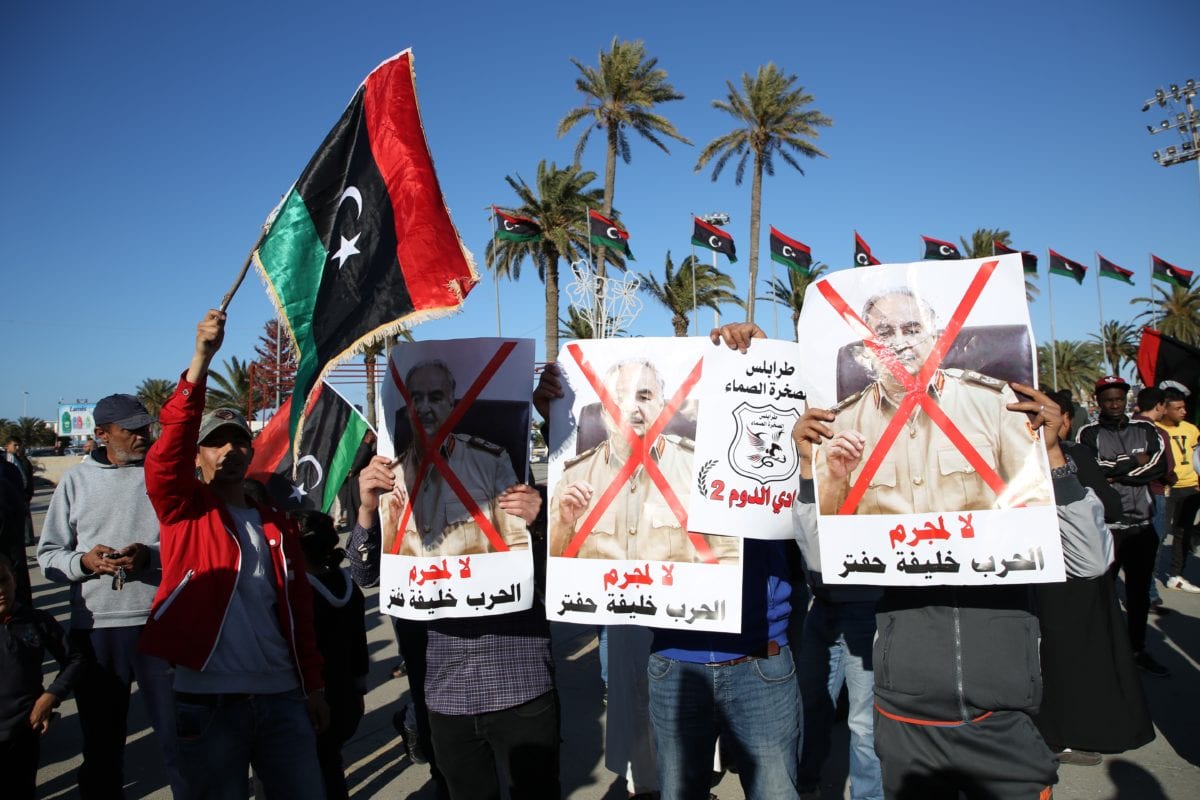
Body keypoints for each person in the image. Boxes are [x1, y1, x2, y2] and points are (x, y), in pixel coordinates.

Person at [794, 382, 1110, 799]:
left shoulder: (1017, 501)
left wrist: (1052, 455)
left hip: (1005, 721)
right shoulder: (884, 501)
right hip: (907, 725)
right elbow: (822, 559)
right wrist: (808, 468)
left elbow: (1089, 560)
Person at [138, 310, 328, 798]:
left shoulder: (277, 523)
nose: (228, 451)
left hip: (282, 697)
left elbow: (296, 610)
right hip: (208, 701)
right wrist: (201, 359)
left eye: (238, 441)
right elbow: (165, 453)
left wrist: (313, 684)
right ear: (197, 455)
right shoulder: (182, 510)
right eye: (214, 443)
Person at [646, 323, 801, 800]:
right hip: (674, 663)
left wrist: (753, 352)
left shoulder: (759, 439)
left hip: (762, 661)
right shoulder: (640, 469)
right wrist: (553, 413)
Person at [351, 451, 557, 800]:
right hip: (447, 694)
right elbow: (365, 574)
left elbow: (558, 582)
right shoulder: (406, 501)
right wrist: (369, 510)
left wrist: (540, 525)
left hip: (521, 683)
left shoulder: (509, 488)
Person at [37, 392, 184, 799]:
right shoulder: (75, 481)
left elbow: (190, 544)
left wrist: (149, 556)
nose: (142, 435)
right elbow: (48, 556)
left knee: (180, 740)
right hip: (97, 631)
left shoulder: (163, 474)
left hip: (159, 625)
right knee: (102, 747)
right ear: (101, 434)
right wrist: (84, 563)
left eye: (145, 427)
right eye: (130, 429)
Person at [814, 287, 1050, 515]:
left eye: (912, 329)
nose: (900, 342)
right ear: (868, 346)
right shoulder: (840, 423)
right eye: (884, 333)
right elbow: (827, 527)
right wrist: (834, 480)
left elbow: (1035, 501)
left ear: (934, 339)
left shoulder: (993, 402)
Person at [1032, 390, 1154, 767]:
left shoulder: (1073, 455)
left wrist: (1055, 457)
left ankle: (1065, 732)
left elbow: (1096, 538)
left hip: (1070, 576)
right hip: (1034, 581)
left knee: (1066, 661)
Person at [549, 359, 738, 564]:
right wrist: (563, 523)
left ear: (661, 406)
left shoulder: (701, 470)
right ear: (605, 410)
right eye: (620, 398)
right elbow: (554, 564)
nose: (632, 408)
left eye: (644, 396)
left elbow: (729, 557)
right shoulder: (574, 477)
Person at [384, 359, 529, 557]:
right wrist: (369, 511)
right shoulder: (391, 476)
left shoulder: (491, 463)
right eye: (415, 399)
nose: (424, 408)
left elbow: (517, 545)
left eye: (435, 398)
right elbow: (371, 572)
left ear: (451, 405)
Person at [1076, 375, 1170, 676]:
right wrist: (1133, 462)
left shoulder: (1146, 429)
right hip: (1108, 529)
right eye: (1108, 400)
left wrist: (1118, 471)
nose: (1114, 405)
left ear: (1126, 399)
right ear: (1098, 402)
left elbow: (1159, 465)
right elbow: (1091, 471)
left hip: (1143, 526)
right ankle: (1106, 652)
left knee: (1139, 594)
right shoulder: (1088, 433)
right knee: (1103, 596)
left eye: (1118, 399)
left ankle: (1137, 648)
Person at [296, 509, 369, 800]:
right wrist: (360, 687)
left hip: (316, 701)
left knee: (317, 770)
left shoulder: (302, 595)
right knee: (331, 764)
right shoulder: (348, 586)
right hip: (347, 698)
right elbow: (360, 646)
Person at [0, 553, 86, 800]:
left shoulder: (36, 622)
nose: (1, 590)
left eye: (4, 580)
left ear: (14, 579)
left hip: (23, 732)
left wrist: (51, 696)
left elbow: (75, 658)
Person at [1132, 386, 1175, 613]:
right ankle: (1148, 596)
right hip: (1154, 494)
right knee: (1152, 548)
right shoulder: (1158, 433)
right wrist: (1171, 478)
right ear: (1159, 406)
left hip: (1125, 496)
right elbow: (1168, 468)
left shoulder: (1123, 428)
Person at [1157, 387, 1200, 592]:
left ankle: (1176, 575)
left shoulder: (1191, 429)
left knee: (1184, 533)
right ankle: (1148, 577)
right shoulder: (1154, 429)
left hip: (1191, 488)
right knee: (1161, 532)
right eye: (1178, 408)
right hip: (1168, 489)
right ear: (1164, 409)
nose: (1184, 411)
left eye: (1184, 407)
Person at [5, 436, 35, 545]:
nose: (17, 447)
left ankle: (27, 539)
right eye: (15, 445)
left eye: (18, 445)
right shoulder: (10, 458)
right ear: (7, 446)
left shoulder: (18, 458)